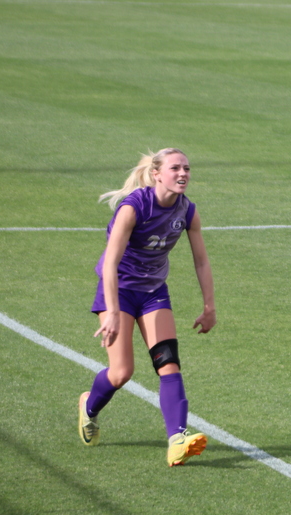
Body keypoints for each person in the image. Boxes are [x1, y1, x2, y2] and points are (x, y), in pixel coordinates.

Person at [77, 148, 216, 466]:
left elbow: (202, 261)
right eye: (175, 168)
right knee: (122, 372)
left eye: (187, 168)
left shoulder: (187, 211)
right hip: (119, 291)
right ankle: (89, 407)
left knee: (169, 365)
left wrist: (209, 307)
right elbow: (110, 263)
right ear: (157, 174)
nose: (183, 174)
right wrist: (112, 311)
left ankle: (177, 440)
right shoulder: (134, 207)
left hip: (154, 292)